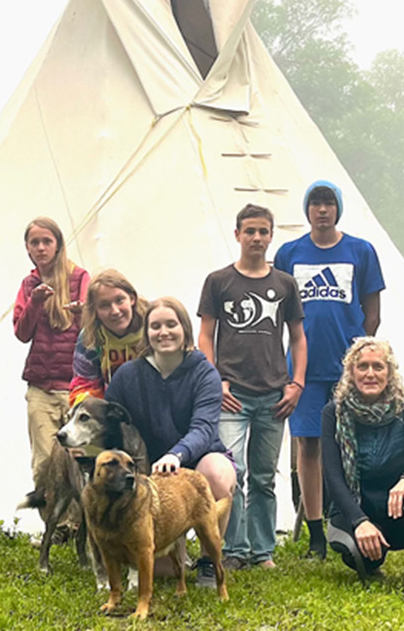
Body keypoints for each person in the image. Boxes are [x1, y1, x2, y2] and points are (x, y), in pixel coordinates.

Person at [272, 180, 386, 560]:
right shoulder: (290, 253)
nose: (322, 210)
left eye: (328, 203)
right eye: (316, 203)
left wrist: (360, 352)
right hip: (303, 369)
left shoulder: (360, 251)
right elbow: (280, 311)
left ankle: (356, 518)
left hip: (348, 368)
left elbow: (372, 310)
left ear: (338, 209)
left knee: (354, 443)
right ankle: (316, 532)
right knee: (308, 445)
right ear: (307, 210)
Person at [198, 204, 306, 570]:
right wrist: (214, 382)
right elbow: (206, 334)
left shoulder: (285, 283)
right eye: (250, 231)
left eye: (263, 231)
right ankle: (233, 549)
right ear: (237, 235)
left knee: (263, 476)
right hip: (232, 395)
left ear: (271, 235)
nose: (256, 238)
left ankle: (263, 551)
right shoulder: (219, 281)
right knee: (233, 473)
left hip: (274, 395)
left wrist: (297, 383)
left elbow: (298, 337)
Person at [106, 296, 236, 589]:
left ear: (185, 329)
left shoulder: (205, 373)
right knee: (161, 572)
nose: (163, 332)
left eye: (170, 324)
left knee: (217, 474)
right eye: (155, 326)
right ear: (146, 333)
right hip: (151, 473)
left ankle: (207, 560)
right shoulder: (127, 375)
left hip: (197, 459)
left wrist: (176, 454)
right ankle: (172, 553)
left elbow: (204, 428)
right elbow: (112, 425)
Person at [321, 338, 404, 600]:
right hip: (357, 511)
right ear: (351, 372)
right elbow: (333, 478)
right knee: (361, 560)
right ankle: (370, 555)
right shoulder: (333, 413)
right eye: (362, 367)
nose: (370, 373)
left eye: (378, 367)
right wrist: (359, 522)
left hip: (398, 509)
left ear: (389, 373)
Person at [12, 217, 89, 484]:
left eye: (47, 241)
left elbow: (92, 334)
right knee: (44, 463)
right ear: (27, 248)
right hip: (41, 387)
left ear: (58, 245)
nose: (41, 248)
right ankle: (53, 524)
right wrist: (35, 303)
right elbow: (21, 333)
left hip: (76, 386)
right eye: (35, 242)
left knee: (79, 461)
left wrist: (81, 314)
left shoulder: (79, 277)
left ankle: (79, 524)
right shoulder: (28, 285)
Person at [67, 269, 149, 404]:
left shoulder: (153, 323)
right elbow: (83, 385)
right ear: (95, 311)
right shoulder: (90, 338)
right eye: (104, 305)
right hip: (115, 409)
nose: (115, 311)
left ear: (132, 298)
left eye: (120, 300)